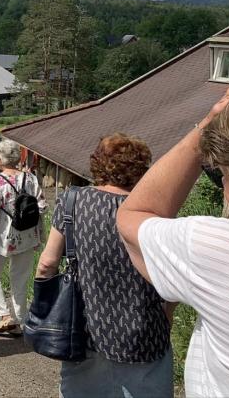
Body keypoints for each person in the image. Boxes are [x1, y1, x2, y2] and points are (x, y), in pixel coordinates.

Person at [117, 70, 229, 398]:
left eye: (224, 174)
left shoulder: (226, 251)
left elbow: (132, 215)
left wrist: (208, 124)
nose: (224, 186)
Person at [36, 134, 172, 397]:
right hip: (145, 331)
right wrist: (167, 317)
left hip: (84, 328)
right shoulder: (154, 210)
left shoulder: (72, 201)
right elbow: (170, 278)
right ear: (141, 168)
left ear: (97, 164)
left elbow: (47, 263)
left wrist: (45, 308)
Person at [0, 138, 46, 336]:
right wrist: (39, 233)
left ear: (0, 159)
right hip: (27, 234)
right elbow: (42, 206)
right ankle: (19, 320)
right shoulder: (31, 178)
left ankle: (4, 315)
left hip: (4, 234)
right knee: (20, 278)